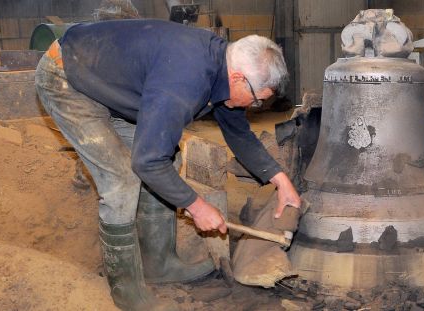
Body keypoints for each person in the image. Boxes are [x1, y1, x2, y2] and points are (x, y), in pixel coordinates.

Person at [35, 19, 301, 310]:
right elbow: (147, 161)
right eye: (256, 100)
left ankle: (158, 264)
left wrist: (279, 179)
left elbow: (237, 132)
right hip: (69, 79)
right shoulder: (186, 76)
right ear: (239, 78)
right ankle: (126, 290)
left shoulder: (222, 70)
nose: (253, 107)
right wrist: (197, 207)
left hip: (112, 86)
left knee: (168, 156)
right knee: (123, 177)